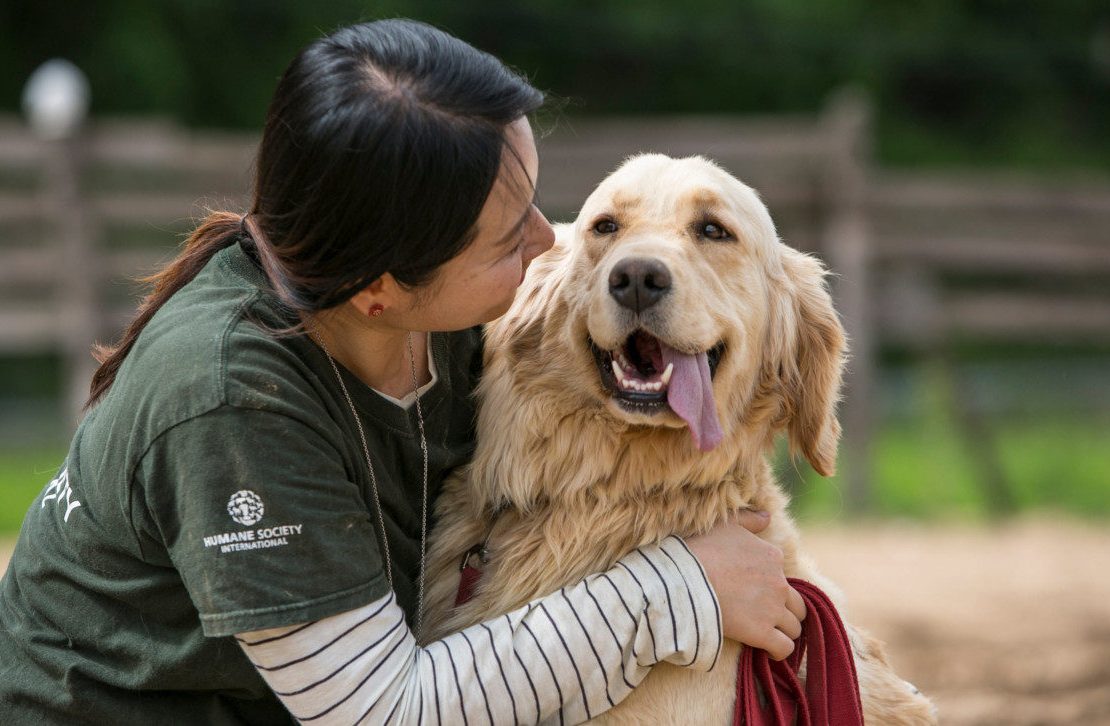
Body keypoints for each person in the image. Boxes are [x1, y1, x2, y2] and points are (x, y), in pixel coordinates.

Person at [0, 19, 805, 725]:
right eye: (506, 239)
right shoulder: (232, 401)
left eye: (534, 201)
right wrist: (676, 594)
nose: (547, 242)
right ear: (380, 289)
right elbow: (388, 711)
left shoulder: (433, 313)